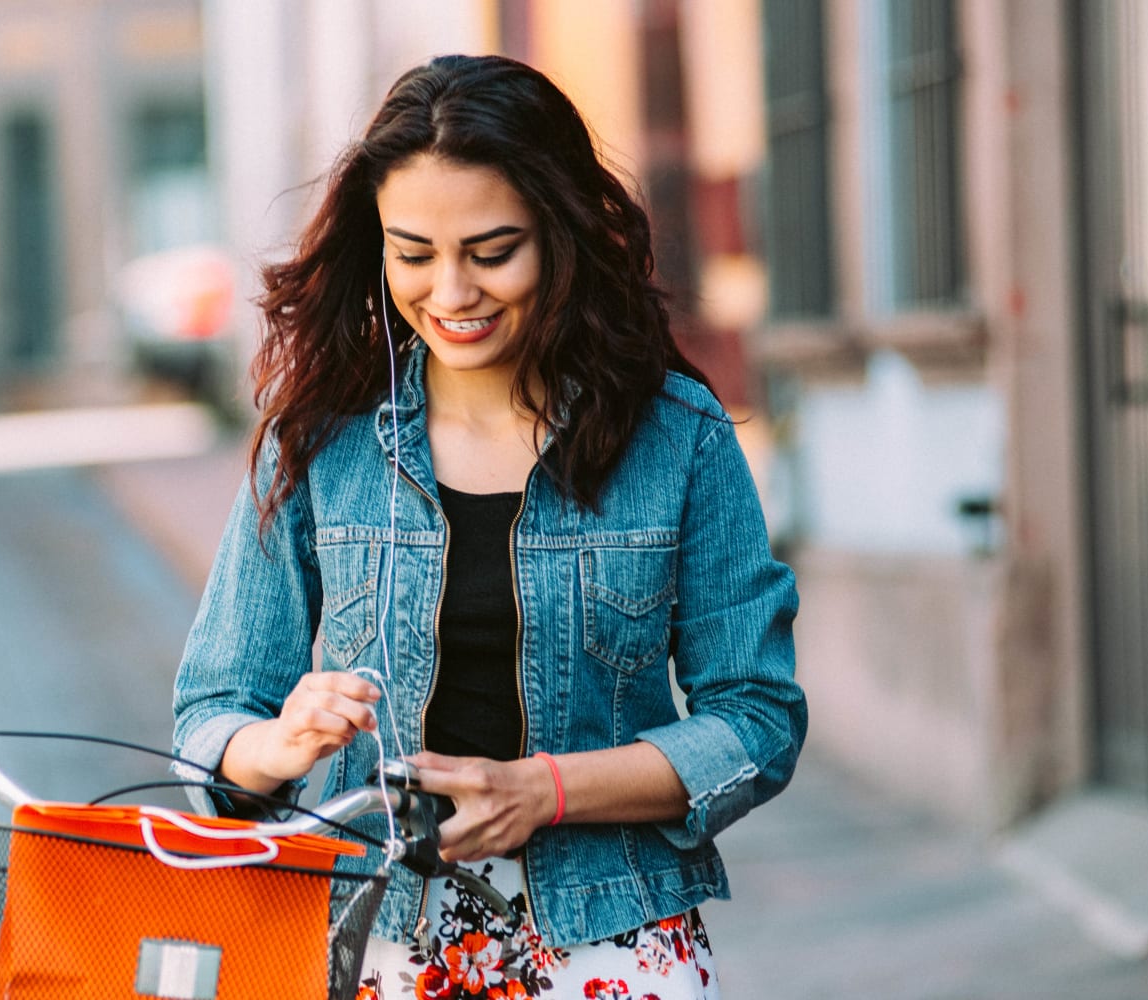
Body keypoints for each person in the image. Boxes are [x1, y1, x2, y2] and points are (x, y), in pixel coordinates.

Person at [172, 54, 804, 999]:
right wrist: (280, 744)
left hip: (613, 941)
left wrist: (540, 792)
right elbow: (209, 718)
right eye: (414, 254)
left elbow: (757, 720)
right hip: (373, 943)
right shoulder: (317, 446)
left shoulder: (677, 438)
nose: (452, 295)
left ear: (561, 233)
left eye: (492, 250)